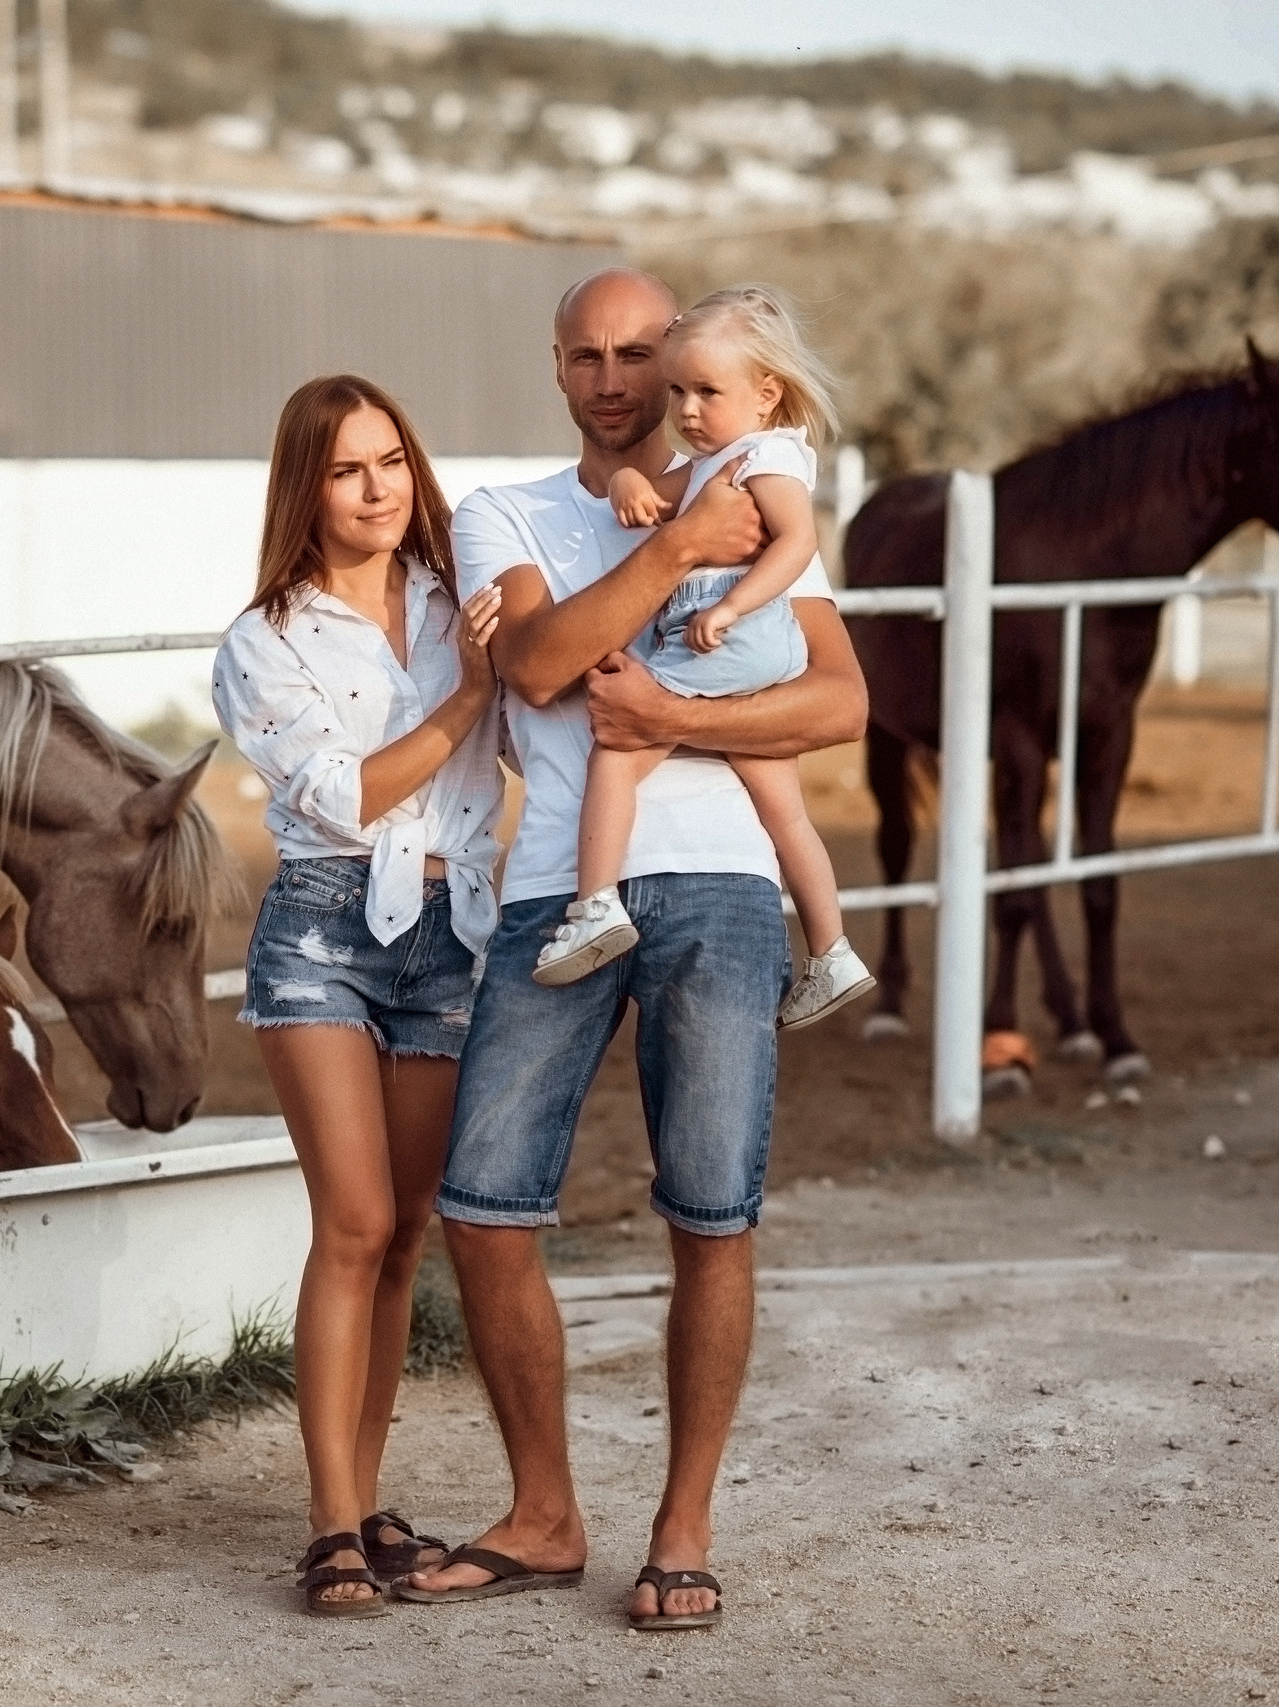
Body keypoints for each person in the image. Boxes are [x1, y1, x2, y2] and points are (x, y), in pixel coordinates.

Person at [395, 270, 867, 1631]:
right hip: (560, 891)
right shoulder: (506, 512)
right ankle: (544, 1512)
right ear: (559, 366)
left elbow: (840, 698)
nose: (618, 379)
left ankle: (684, 1522)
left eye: (644, 354)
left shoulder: (755, 481)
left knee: (711, 1212)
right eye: (591, 356)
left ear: (683, 365)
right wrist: (670, 551)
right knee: (483, 1206)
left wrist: (672, 709)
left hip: (723, 882)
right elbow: (542, 662)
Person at [211, 373, 506, 1618]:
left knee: (403, 1235)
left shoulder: (464, 600)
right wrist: (474, 696)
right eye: (345, 469)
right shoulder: (261, 642)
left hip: (457, 935)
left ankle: (369, 1498)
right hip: (326, 931)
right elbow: (346, 795)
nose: (377, 488)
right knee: (350, 1221)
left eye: (391, 461)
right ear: (305, 488)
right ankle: (329, 1525)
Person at [533, 286, 876, 1032]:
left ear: (766, 392)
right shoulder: (721, 456)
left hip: (736, 637)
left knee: (618, 747)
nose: (687, 410)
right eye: (680, 390)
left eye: (706, 392)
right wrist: (627, 480)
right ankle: (832, 948)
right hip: (746, 645)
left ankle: (593, 905)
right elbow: (654, 497)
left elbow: (798, 542)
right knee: (783, 808)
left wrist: (729, 606)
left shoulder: (767, 456)